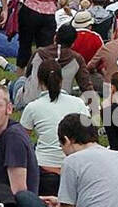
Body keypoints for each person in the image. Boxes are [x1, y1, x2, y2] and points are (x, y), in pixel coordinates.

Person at [18, 60, 89, 196]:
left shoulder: (33, 107)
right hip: (76, 171)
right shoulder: (78, 103)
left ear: (38, 81)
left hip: (45, 172)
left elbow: (21, 141)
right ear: (61, 80)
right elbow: (88, 137)